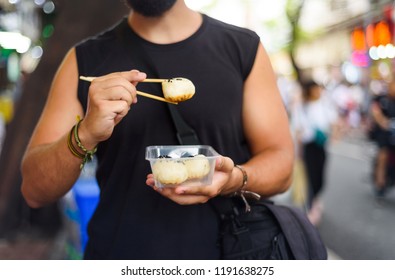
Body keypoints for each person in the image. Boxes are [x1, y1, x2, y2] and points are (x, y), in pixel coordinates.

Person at [21, 0, 294, 259]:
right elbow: (34, 190)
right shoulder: (83, 61)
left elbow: (282, 165)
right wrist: (85, 133)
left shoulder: (243, 48)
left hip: (230, 256)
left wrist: (235, 179)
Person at [292, 80, 338, 225]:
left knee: (320, 176)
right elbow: (297, 129)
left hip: (321, 145)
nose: (318, 91)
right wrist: (298, 151)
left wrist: (333, 136)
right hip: (308, 146)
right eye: (316, 89)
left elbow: (334, 122)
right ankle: (311, 206)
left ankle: (316, 199)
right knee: (310, 177)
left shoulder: (324, 105)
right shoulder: (301, 107)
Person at [370, 80, 395, 197]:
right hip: (384, 134)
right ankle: (380, 181)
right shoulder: (382, 99)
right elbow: (375, 111)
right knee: (383, 155)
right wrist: (383, 122)